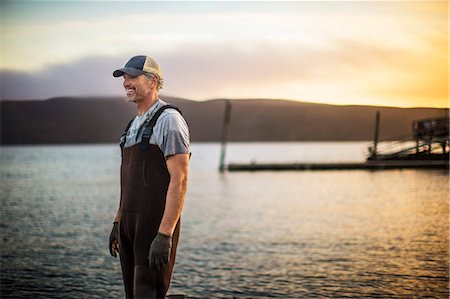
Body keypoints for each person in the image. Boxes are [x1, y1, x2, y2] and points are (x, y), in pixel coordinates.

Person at [108, 55, 190, 299]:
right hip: (129, 227)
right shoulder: (132, 125)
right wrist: (117, 222)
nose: (125, 82)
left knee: (149, 293)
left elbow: (180, 180)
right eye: (124, 77)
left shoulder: (169, 121)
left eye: (132, 76)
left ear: (153, 81)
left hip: (154, 227)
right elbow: (130, 184)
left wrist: (165, 235)